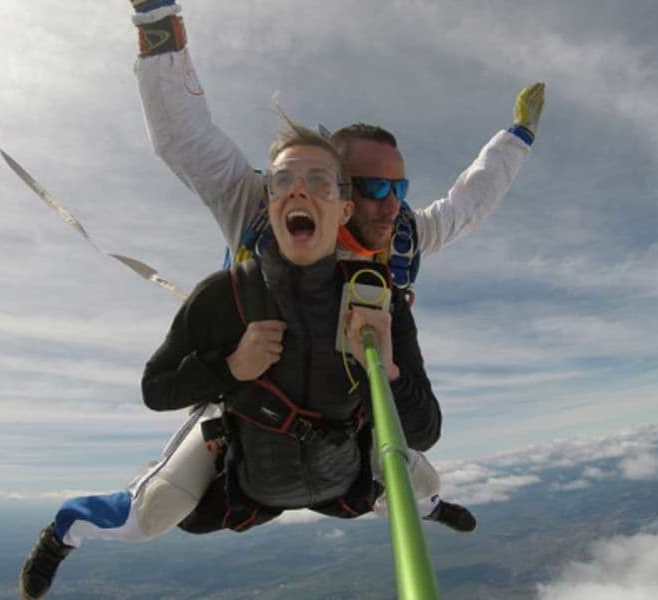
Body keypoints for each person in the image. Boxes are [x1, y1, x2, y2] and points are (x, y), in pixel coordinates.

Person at [131, 0, 542, 525]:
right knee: (157, 510)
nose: (392, 205)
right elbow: (185, 139)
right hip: (256, 393)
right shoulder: (264, 205)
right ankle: (77, 528)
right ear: (338, 187)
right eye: (374, 189)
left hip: (345, 409)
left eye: (400, 188)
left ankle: (427, 504)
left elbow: (469, 204)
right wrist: (158, 23)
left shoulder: (401, 237)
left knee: (412, 471)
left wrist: (517, 139)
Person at [20, 118, 441, 599]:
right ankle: (64, 531)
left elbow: (425, 430)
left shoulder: (375, 296)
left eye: (319, 181)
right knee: (149, 515)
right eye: (283, 181)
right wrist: (231, 368)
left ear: (344, 209)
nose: (299, 192)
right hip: (250, 466)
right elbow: (155, 389)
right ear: (270, 202)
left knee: (423, 483)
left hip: (339, 470)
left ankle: (433, 509)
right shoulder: (226, 296)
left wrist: (384, 372)